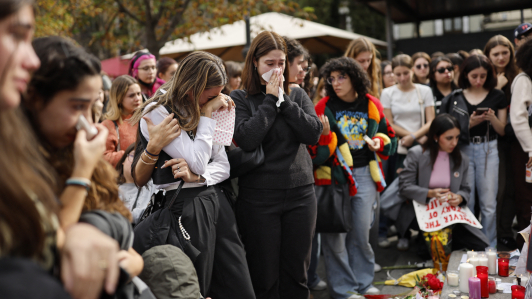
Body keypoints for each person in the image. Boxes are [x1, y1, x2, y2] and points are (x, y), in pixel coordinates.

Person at [131, 51, 256, 299]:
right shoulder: (159, 110)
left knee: (239, 284)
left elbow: (223, 165)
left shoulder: (214, 103)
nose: (216, 99)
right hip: (185, 207)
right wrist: (209, 113)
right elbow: (199, 161)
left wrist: (199, 178)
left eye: (218, 94)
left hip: (216, 200)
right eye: (210, 95)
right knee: (197, 286)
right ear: (191, 87)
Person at [232, 31, 322, 299]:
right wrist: (270, 100)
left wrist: (284, 100)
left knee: (297, 275)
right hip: (259, 197)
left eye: (281, 63)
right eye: (269, 63)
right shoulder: (240, 97)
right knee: (265, 277)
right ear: (255, 63)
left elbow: (313, 133)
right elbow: (247, 138)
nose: (276, 69)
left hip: (301, 193)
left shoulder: (297, 93)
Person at [309, 56, 396, 299]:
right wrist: (325, 138)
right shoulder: (322, 107)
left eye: (342, 77)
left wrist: (379, 142)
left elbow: (389, 136)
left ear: (355, 77)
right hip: (334, 177)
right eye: (332, 78)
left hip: (366, 174)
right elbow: (313, 151)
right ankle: (343, 290)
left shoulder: (372, 104)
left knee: (361, 234)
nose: (335, 82)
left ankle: (364, 283)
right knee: (335, 237)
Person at [397, 114, 489, 267]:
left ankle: (437, 246)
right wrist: (430, 193)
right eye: (449, 138)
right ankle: (426, 244)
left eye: (457, 137)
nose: (454, 143)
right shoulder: (417, 154)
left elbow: (465, 189)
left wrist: (459, 198)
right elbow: (404, 187)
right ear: (435, 137)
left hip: (449, 211)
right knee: (432, 250)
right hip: (421, 209)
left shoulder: (462, 158)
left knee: (481, 244)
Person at [440, 55, 507, 247]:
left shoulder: (497, 95)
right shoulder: (456, 97)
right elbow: (448, 130)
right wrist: (468, 123)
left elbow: (503, 130)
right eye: (474, 76)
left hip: (489, 147)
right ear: (465, 75)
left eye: (483, 76)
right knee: (465, 200)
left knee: (488, 203)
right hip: (463, 148)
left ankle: (489, 246)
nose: (479, 81)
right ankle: (468, 245)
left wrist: (492, 118)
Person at [381, 54, 435, 250]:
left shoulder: (424, 90)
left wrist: (416, 137)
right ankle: (402, 233)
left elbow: (431, 121)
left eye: (406, 73)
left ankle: (420, 233)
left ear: (412, 70)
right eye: (398, 74)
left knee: (421, 191)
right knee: (402, 193)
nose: (402, 78)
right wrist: (413, 136)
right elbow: (389, 124)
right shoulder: (387, 93)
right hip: (401, 149)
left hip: (422, 147)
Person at [484, 34, 519, 249]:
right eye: (495, 54)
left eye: (505, 52)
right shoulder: (483, 77)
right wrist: (497, 86)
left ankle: (506, 231)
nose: (500, 57)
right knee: (499, 189)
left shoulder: (520, 75)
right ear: (488, 56)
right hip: (493, 141)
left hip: (517, 139)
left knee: (514, 189)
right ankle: (496, 232)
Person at [509, 38, 532, 249]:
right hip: (527, 151)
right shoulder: (523, 80)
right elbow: (518, 118)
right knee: (527, 202)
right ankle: (525, 252)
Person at [102, 75, 142, 166]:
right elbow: (103, 158)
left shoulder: (145, 118)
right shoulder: (108, 124)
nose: (137, 98)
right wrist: (130, 155)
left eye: (139, 94)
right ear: (119, 99)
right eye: (131, 95)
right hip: (123, 177)